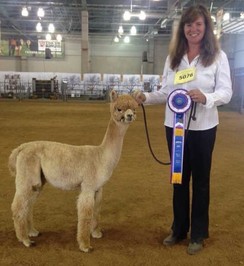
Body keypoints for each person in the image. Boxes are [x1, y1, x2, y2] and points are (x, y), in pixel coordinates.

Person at [133, 4, 232, 255]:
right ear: (183, 29)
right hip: (174, 127)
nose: (193, 29)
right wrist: (145, 96)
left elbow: (226, 92)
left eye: (198, 24)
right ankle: (178, 229)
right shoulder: (173, 59)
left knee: (200, 182)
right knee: (178, 180)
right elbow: (167, 92)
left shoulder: (218, 57)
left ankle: (198, 233)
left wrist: (206, 97)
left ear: (206, 27)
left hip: (204, 127)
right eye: (189, 24)